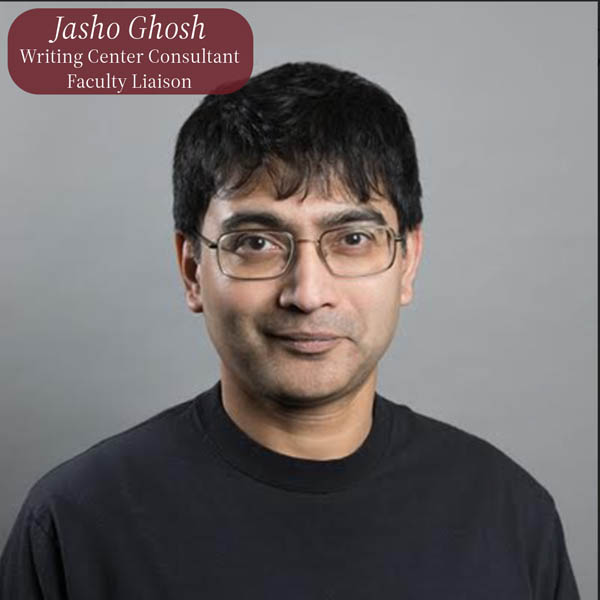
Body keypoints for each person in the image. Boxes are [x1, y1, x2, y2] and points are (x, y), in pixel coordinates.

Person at [0, 62, 580, 599]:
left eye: (353, 239)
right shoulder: (74, 526)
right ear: (191, 270)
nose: (306, 293)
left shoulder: (509, 514)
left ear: (408, 262)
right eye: (256, 243)